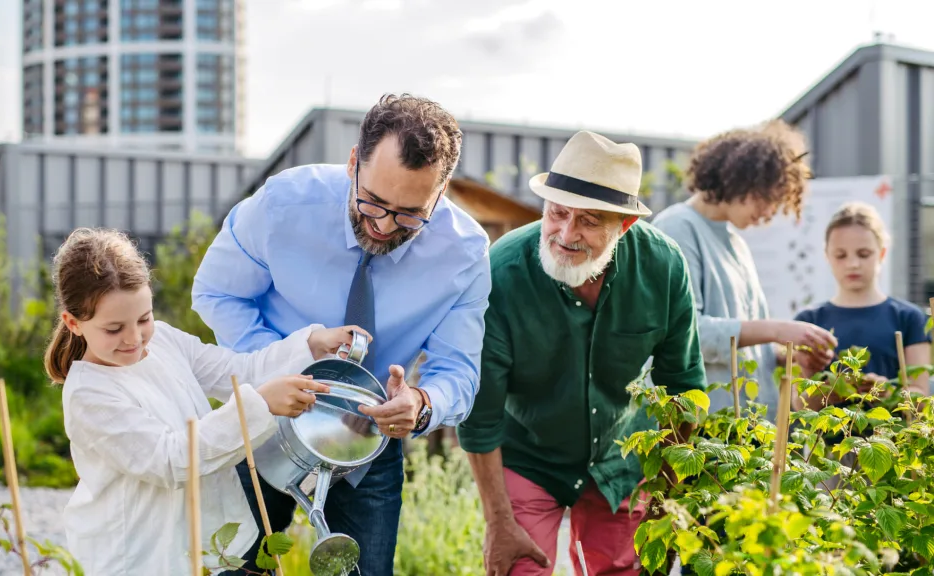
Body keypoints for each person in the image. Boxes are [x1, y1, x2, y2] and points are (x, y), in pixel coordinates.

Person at [191, 93, 492, 575]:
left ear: (441, 192)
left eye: (410, 215)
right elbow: (217, 294)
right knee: (238, 568)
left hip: (368, 435)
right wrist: (279, 368)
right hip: (263, 414)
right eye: (372, 201)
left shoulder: (466, 254)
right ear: (353, 162)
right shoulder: (283, 203)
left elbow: (458, 369)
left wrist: (421, 403)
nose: (383, 226)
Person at [456, 130, 707, 576]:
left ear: (623, 226)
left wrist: (666, 500)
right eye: (558, 213)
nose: (566, 234)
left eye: (589, 221)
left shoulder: (663, 266)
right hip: (528, 455)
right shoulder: (504, 271)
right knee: (520, 568)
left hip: (620, 455)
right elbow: (481, 414)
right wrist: (498, 522)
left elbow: (684, 387)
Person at [44, 227, 366, 575]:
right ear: (73, 323)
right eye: (114, 329)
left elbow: (237, 370)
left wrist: (310, 345)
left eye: (143, 318)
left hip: (207, 542)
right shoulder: (90, 394)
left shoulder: (163, 340)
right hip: (141, 554)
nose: (134, 338)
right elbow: (170, 460)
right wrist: (258, 405)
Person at [651, 119, 837, 419]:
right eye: (768, 198)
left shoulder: (736, 242)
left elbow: (745, 343)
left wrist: (786, 357)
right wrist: (778, 329)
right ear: (741, 179)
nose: (768, 213)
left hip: (743, 430)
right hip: (702, 431)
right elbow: (683, 333)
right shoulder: (676, 229)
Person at [794, 201, 930, 409]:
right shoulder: (808, 322)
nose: (853, 264)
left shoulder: (909, 317)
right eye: (841, 255)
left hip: (891, 440)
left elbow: (922, 398)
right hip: (823, 442)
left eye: (864, 254)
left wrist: (889, 393)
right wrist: (829, 391)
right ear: (827, 256)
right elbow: (798, 403)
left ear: (882, 254)